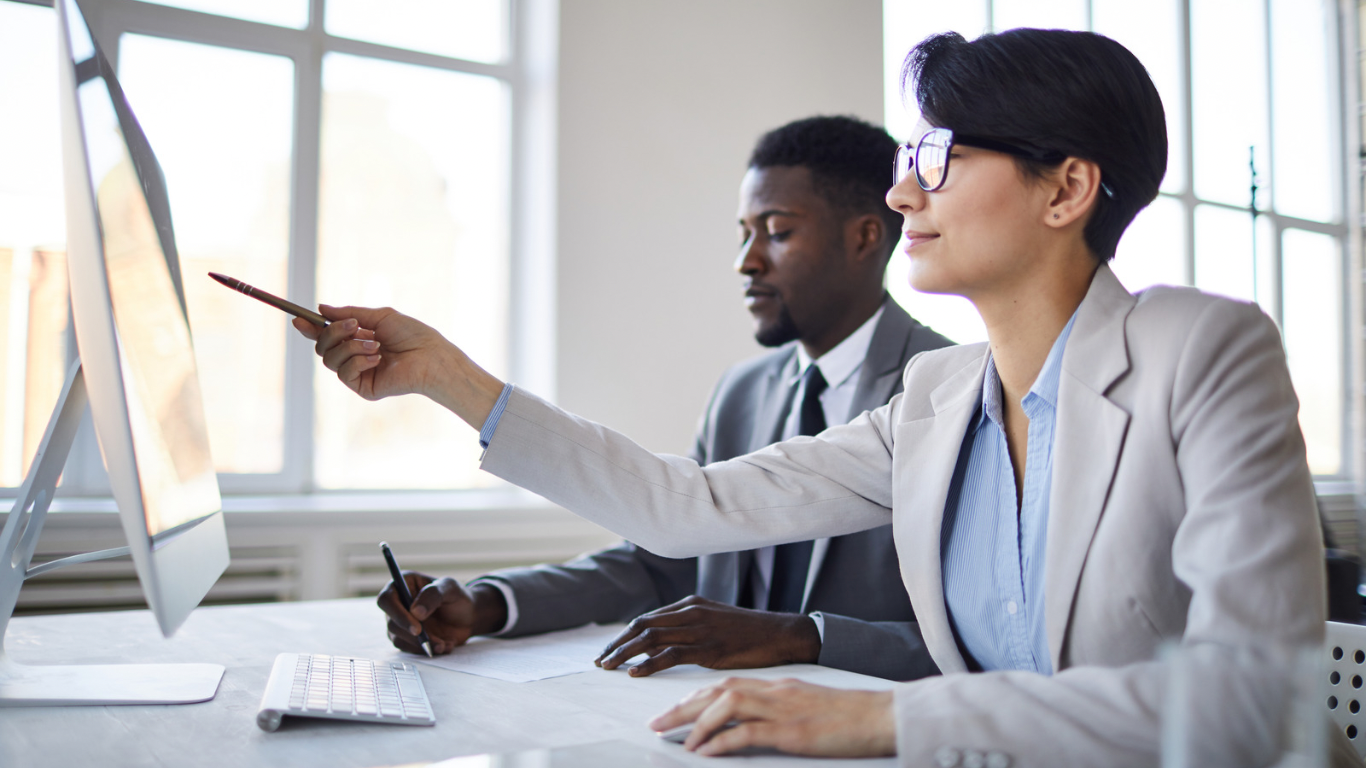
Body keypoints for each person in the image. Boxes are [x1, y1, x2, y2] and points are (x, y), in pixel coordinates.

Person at [297, 29, 1355, 767]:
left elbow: (1247, 706)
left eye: (937, 157)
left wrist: (876, 723)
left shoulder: (1203, 351)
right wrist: (444, 375)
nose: (903, 194)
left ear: (1066, 189)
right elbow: (686, 507)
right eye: (906, 160)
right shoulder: (939, 397)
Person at [375, 116, 951, 682]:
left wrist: (796, 638)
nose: (746, 261)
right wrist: (488, 605)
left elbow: (980, 642)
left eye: (775, 232)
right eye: (743, 233)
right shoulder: (742, 392)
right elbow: (659, 561)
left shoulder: (946, 393)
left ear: (864, 237)